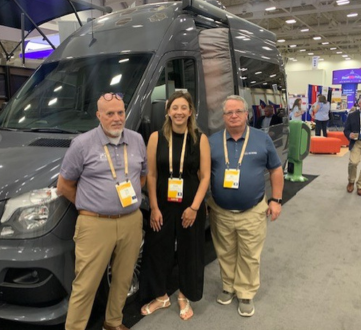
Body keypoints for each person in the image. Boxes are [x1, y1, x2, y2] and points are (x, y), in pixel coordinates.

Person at [57, 92, 147, 330]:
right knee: (86, 284)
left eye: (120, 112)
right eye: (110, 114)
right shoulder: (82, 144)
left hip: (131, 221)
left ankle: (113, 322)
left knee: (123, 277)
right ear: (99, 115)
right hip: (95, 225)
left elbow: (143, 176)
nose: (117, 118)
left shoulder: (137, 139)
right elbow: (64, 185)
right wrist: (90, 205)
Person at [208, 95, 284, 317]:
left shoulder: (261, 139)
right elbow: (203, 174)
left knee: (249, 254)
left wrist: (276, 200)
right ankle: (229, 286)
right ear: (223, 117)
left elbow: (276, 169)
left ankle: (246, 292)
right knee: (225, 251)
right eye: (229, 112)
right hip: (220, 210)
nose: (233, 116)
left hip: (252, 210)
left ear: (246, 114)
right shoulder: (212, 141)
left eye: (238, 111)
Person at [139, 91, 210, 321]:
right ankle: (160, 295)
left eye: (183, 108)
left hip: (191, 204)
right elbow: (151, 174)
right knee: (157, 249)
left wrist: (195, 207)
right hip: (163, 204)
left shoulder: (200, 138)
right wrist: (154, 207)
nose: (179, 112)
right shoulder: (156, 138)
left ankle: (184, 295)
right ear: (168, 111)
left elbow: (205, 176)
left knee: (190, 250)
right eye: (174, 108)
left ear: (191, 112)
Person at [344, 98, 361, 195]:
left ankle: (360, 185)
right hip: (356, 142)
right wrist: (349, 134)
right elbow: (346, 130)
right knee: (353, 162)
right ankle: (351, 181)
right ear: (359, 104)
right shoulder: (352, 115)